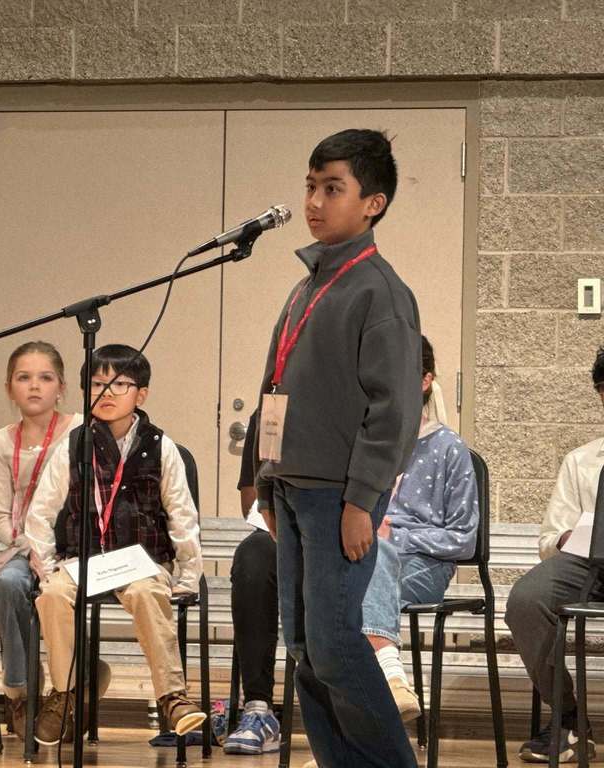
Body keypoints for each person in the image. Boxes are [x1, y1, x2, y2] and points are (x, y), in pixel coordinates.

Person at [255, 129, 422, 768]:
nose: (316, 201)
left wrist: (363, 500)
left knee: (335, 645)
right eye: (310, 186)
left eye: (333, 188)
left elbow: (394, 412)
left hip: (337, 495)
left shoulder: (379, 291)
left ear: (372, 202)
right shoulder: (306, 287)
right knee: (302, 646)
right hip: (293, 487)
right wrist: (262, 480)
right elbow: (273, 386)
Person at [25, 344, 205, 745]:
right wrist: (47, 565)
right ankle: (65, 693)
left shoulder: (161, 447)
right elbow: (40, 513)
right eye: (97, 383)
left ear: (141, 394)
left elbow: (183, 516)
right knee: (52, 595)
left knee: (145, 593)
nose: (106, 393)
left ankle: (172, 697)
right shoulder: (73, 446)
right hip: (83, 560)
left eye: (119, 384)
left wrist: (189, 575)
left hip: (143, 561)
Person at [360, 335, 478, 721]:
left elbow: (463, 537)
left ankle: (389, 682)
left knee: (362, 579)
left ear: (425, 381)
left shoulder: (449, 448)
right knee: (338, 594)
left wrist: (397, 535)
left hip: (424, 563)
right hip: (367, 555)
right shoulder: (369, 441)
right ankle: (388, 688)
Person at [505, 346, 604, 763]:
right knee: (527, 600)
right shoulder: (582, 462)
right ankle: (568, 719)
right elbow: (549, 540)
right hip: (590, 565)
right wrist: (569, 538)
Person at [0, 341, 82, 734]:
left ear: (61, 386)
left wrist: (53, 553)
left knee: (65, 590)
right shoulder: (2, 441)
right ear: (9, 388)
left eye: (45, 377)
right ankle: (20, 693)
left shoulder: (79, 430)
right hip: (23, 549)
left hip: (73, 548)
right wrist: (30, 548)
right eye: (23, 378)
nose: (34, 386)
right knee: (9, 584)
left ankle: (79, 682)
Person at [224, 409, 282, 755]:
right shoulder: (273, 410)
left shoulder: (359, 394)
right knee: (253, 556)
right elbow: (254, 496)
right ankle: (258, 708)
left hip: (348, 526)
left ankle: (346, 710)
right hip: (286, 527)